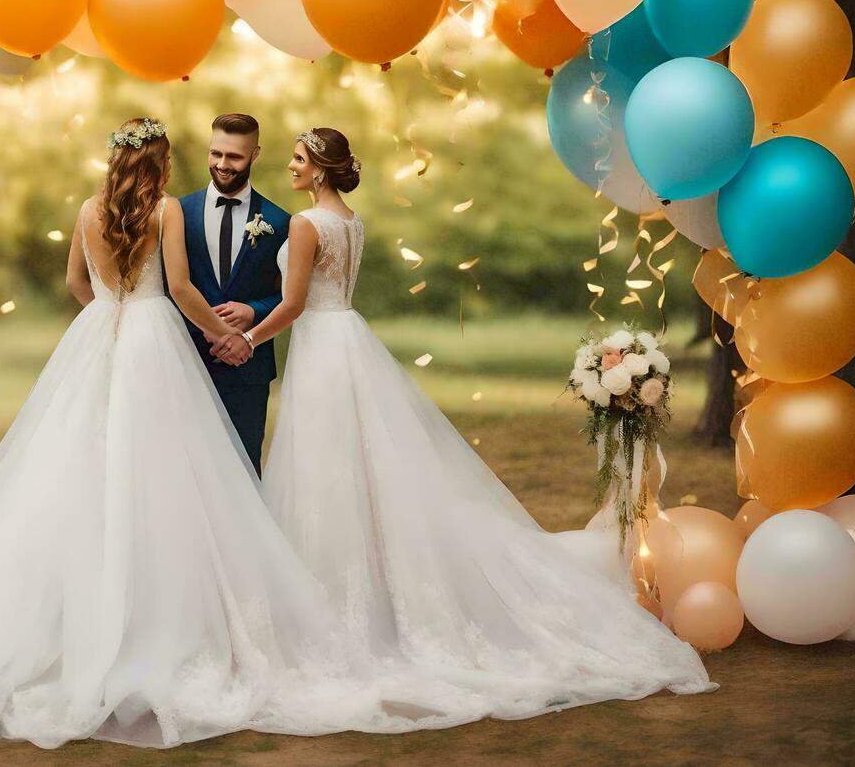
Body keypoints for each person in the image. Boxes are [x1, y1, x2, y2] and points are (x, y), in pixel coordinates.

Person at [0, 119, 477, 748]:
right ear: (161, 165)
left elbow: (77, 282)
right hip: (156, 339)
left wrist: (108, 310)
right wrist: (215, 333)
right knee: (173, 470)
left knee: (82, 464)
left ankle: (86, 600)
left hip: (101, 333)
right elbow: (184, 288)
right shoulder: (167, 211)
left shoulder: (86, 209)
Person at [215, 127, 714, 715]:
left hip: (323, 348)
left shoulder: (304, 224)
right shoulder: (351, 222)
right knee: (360, 465)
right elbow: (317, 291)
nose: (291, 168)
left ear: (321, 169)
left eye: (299, 160)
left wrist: (247, 336)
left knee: (326, 468)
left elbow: (295, 302)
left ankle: (338, 603)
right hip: (346, 336)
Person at [175, 113, 289, 473]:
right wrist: (207, 329)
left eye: (234, 157)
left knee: (243, 469)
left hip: (247, 368)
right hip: (184, 360)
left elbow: (291, 297)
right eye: (216, 154)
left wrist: (254, 311)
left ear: (255, 154)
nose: (223, 165)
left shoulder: (281, 220)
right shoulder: (177, 212)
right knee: (185, 470)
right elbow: (165, 287)